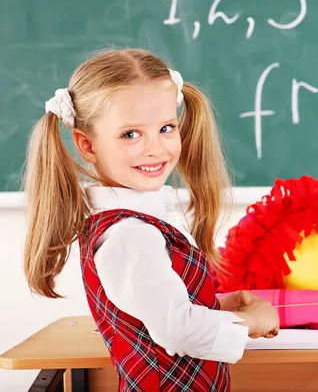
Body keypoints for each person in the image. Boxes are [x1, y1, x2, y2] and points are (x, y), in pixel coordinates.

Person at [22, 48, 280, 391]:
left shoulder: (133, 225)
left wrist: (213, 305)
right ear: (87, 145)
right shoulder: (130, 234)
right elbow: (176, 330)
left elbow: (152, 311)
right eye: (131, 134)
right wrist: (250, 323)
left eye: (166, 128)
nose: (156, 149)